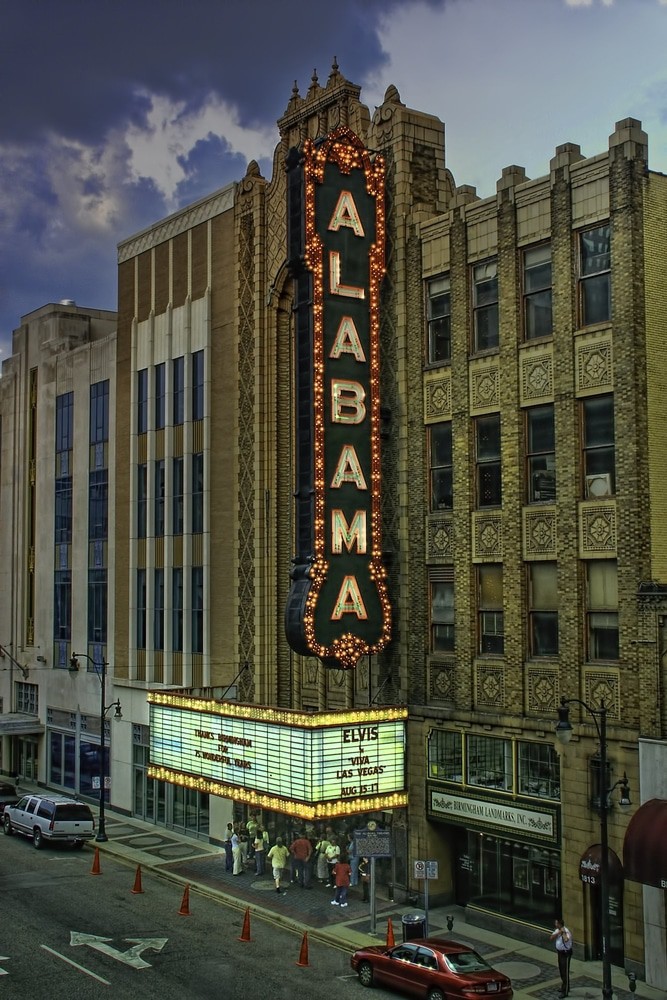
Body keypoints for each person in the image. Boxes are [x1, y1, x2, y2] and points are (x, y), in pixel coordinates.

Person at [550, 917, 573, 997]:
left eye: (556, 923)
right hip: (560, 953)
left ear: (560, 924)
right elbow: (551, 938)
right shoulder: (557, 930)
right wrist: (558, 932)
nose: (555, 924)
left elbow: (566, 939)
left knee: (565, 972)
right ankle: (565, 986)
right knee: (561, 970)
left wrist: (563, 933)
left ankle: (565, 991)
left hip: (566, 954)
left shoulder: (566, 931)